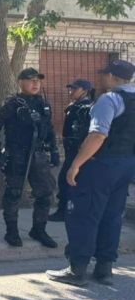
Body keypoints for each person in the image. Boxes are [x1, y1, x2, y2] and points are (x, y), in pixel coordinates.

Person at [47, 60, 135, 286]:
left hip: (100, 165)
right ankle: (104, 270)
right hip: (125, 165)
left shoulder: (110, 99)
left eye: (105, 75)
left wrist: (76, 163)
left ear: (114, 77)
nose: (102, 78)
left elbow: (97, 135)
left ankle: (77, 270)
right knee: (112, 217)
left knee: (84, 216)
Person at [0, 68, 60, 248]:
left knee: (45, 194)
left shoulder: (43, 104)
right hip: (17, 154)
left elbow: (49, 129)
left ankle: (39, 230)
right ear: (20, 82)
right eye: (30, 80)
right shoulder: (12, 104)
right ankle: (11, 232)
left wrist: (54, 150)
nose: (35, 84)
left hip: (38, 155)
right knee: (14, 194)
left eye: (38, 80)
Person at [48, 79, 94, 222]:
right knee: (68, 180)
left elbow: (87, 130)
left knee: (66, 180)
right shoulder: (75, 106)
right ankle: (68, 210)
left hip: (78, 150)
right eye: (70, 88)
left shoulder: (87, 107)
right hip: (71, 149)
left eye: (74, 89)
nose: (71, 91)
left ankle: (65, 211)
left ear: (84, 91)